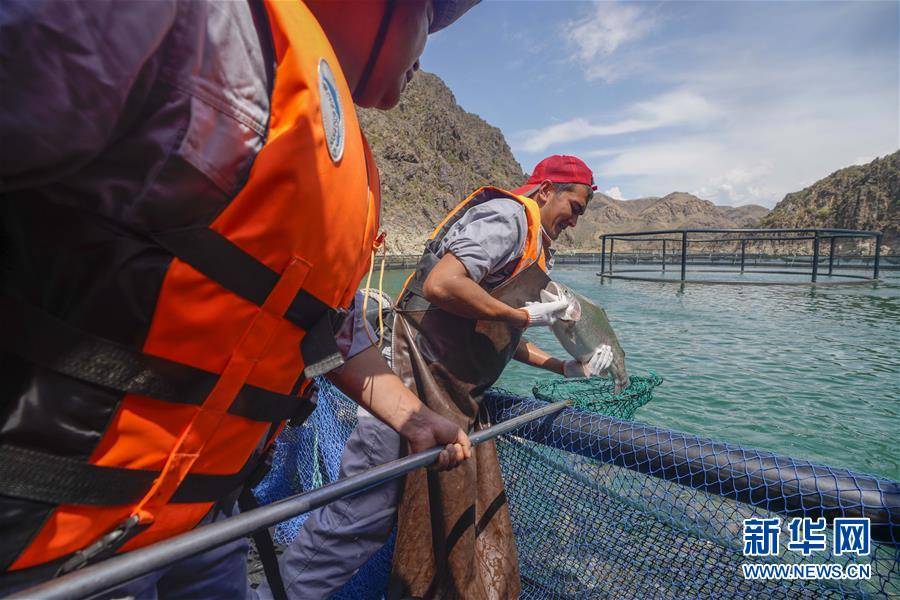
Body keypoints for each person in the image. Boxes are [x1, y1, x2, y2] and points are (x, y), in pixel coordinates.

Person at [0, 0, 477, 597]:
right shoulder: (198, 25)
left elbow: (328, 326)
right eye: (430, 16)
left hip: (204, 521)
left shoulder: (352, 172)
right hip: (48, 544)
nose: (430, 44)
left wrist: (414, 417)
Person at [389, 155, 606, 599]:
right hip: (412, 382)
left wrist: (564, 366)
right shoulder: (507, 219)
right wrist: (519, 313)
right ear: (546, 191)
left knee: (458, 520)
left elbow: (498, 332)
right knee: (366, 517)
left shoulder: (536, 246)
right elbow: (443, 285)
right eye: (576, 208)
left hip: (459, 396)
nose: (575, 222)